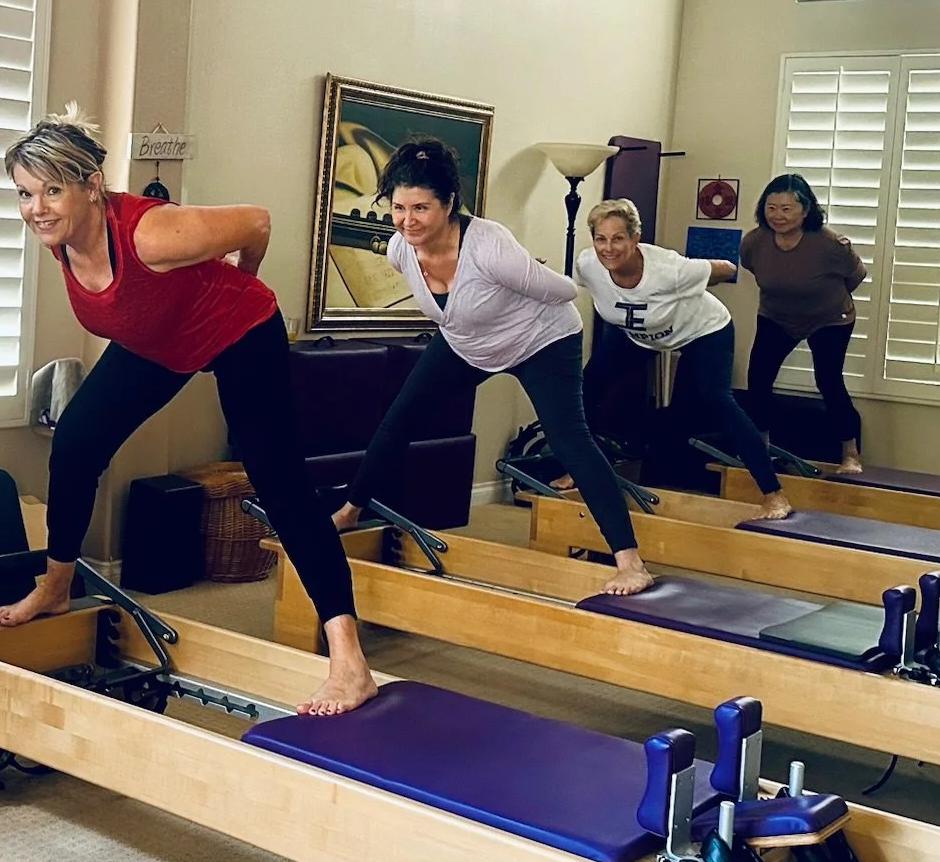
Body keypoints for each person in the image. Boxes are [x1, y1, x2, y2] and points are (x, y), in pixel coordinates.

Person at [0, 110, 377, 714]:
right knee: (76, 442)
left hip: (238, 332)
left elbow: (257, 221)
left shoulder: (152, 234)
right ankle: (57, 584)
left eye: (52, 190)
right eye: (25, 193)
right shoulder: (62, 238)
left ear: (91, 186)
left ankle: (349, 662)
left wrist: (237, 285)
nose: (37, 208)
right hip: (160, 343)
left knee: (279, 483)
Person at [334, 138, 654, 596]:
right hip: (468, 342)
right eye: (399, 207)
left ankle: (630, 561)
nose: (407, 220)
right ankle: (349, 510)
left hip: (541, 339)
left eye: (420, 208)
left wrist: (525, 272)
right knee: (399, 417)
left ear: (448, 204)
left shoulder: (490, 246)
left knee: (570, 440)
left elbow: (563, 292)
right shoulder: (399, 249)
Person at [574, 199, 794, 521]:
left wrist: (701, 273)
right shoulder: (588, 265)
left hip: (702, 330)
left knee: (716, 400)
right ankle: (581, 472)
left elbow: (728, 268)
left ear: (635, 239)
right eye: (601, 239)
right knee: (587, 386)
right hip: (639, 336)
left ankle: (773, 495)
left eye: (618, 238)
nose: (609, 248)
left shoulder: (669, 270)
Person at [739, 174, 866, 474]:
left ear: (805, 210)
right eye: (771, 208)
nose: (778, 215)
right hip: (776, 316)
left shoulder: (830, 244)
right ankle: (761, 448)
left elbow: (855, 276)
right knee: (758, 380)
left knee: (829, 380)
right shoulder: (754, 242)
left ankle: (850, 453)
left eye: (787, 208)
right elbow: (753, 268)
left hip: (830, 318)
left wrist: (822, 297)